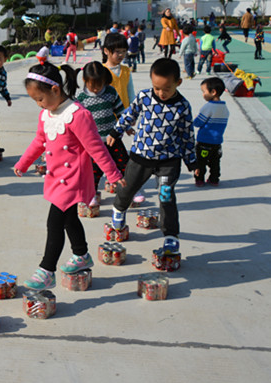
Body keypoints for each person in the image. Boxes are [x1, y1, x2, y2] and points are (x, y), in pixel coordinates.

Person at [13, 62, 125, 290]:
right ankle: (81, 254)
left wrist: (112, 174)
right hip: (56, 176)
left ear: (55, 90)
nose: (38, 105)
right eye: (35, 100)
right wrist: (23, 163)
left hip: (72, 178)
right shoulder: (46, 114)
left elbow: (96, 148)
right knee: (69, 219)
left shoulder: (78, 115)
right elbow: (39, 141)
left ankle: (47, 270)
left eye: (40, 99)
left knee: (54, 221)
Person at [108, 58, 196, 258]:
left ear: (178, 83)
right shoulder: (144, 97)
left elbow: (187, 134)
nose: (161, 93)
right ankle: (119, 211)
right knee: (127, 188)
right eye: (156, 88)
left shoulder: (183, 106)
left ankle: (170, 235)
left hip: (169, 160)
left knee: (166, 195)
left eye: (166, 88)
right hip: (141, 155)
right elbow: (129, 114)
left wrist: (192, 159)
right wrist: (116, 131)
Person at [76, 62, 131, 208]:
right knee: (94, 171)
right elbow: (77, 121)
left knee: (124, 164)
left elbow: (120, 111)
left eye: (99, 85)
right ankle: (92, 194)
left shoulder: (111, 92)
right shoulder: (81, 98)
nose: (95, 89)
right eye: (91, 85)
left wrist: (127, 127)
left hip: (113, 138)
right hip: (93, 144)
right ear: (84, 81)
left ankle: (130, 191)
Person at [193, 77, 229, 187]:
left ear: (213, 92)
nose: (203, 94)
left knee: (201, 161)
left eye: (204, 91)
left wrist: (196, 119)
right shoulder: (224, 108)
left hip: (204, 140)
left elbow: (198, 123)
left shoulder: (208, 107)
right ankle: (214, 179)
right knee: (215, 162)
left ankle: (199, 179)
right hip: (217, 142)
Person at [102, 33, 134, 108]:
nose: (121, 54)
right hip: (108, 116)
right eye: (117, 51)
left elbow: (131, 94)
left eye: (123, 51)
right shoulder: (100, 71)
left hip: (124, 115)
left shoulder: (126, 70)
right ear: (106, 51)